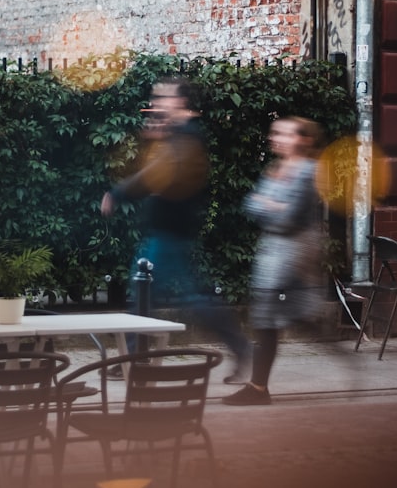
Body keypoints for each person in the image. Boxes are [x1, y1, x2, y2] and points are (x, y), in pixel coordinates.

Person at [101, 77, 251, 380]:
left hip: (170, 233)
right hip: (168, 232)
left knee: (156, 292)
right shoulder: (177, 136)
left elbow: (155, 175)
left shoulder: (187, 138)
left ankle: (133, 358)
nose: (156, 102)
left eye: (163, 97)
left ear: (180, 102)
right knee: (168, 295)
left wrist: (118, 193)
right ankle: (135, 358)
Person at [222, 116, 325, 406]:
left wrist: (269, 205)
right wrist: (272, 206)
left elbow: (289, 219)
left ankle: (257, 388)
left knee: (269, 320)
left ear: (303, 140)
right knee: (269, 320)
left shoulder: (308, 171)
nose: (276, 137)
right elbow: (250, 205)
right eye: (275, 132)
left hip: (293, 257)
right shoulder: (277, 169)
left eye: (285, 134)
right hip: (274, 255)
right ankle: (258, 387)